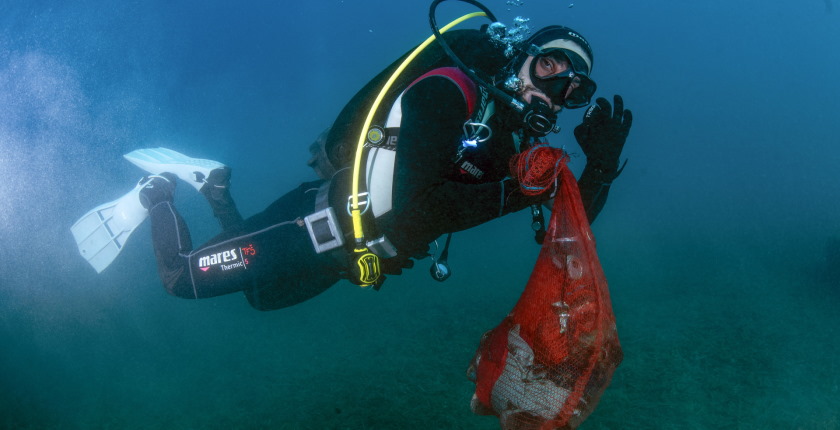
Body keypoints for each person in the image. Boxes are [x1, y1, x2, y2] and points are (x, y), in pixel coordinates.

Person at [74, 14, 632, 311]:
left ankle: (215, 186)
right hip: (312, 226)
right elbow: (412, 209)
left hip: (349, 258)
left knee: (263, 297)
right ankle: (157, 192)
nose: (556, 90)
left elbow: (565, 235)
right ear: (521, 60)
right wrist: (519, 193)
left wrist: (597, 173)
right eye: (551, 67)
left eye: (573, 89)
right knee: (180, 280)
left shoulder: (512, 152)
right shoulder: (447, 94)